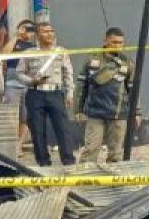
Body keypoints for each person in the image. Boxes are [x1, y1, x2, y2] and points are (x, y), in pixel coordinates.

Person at [75, 27, 139, 163]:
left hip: (118, 114)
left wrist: (137, 112)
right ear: (105, 41)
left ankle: (113, 183)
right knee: (90, 151)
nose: (118, 45)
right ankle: (86, 182)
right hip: (95, 114)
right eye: (114, 42)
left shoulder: (127, 62)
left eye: (121, 43)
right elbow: (81, 87)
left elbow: (133, 90)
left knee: (115, 154)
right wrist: (78, 110)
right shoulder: (92, 60)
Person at [17, 22, 76, 167]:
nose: (49, 34)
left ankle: (68, 162)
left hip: (55, 93)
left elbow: (68, 73)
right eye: (45, 31)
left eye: (51, 31)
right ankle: (43, 163)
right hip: (35, 94)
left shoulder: (61, 52)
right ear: (37, 35)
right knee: (37, 130)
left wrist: (70, 93)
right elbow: (19, 73)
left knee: (63, 129)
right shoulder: (29, 53)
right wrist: (32, 80)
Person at [2, 19, 38, 153]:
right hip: (13, 83)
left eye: (31, 30)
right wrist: (16, 36)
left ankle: (18, 145)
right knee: (11, 114)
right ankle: (9, 144)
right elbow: (4, 55)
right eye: (25, 29)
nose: (28, 33)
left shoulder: (34, 46)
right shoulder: (14, 42)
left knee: (25, 116)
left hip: (28, 84)